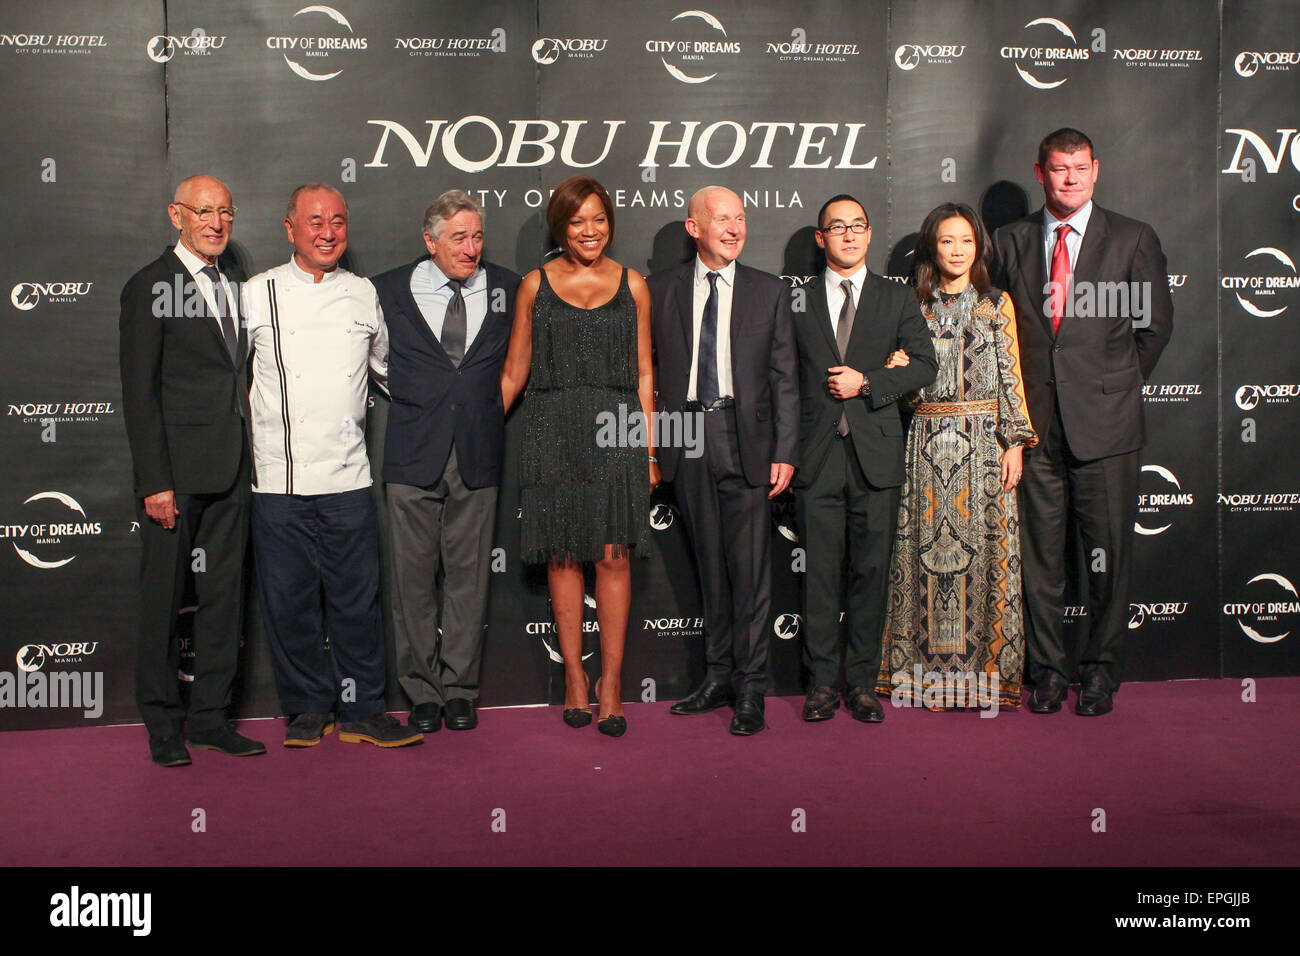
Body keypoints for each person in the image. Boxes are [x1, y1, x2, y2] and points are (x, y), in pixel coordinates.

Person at [994, 129, 1174, 715]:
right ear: (1039, 172)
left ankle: (1099, 673)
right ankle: (1047, 672)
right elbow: (997, 334)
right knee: (1040, 560)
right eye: (1058, 168)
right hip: (1035, 429)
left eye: (1079, 168)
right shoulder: (1010, 240)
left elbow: (1154, 327)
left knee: (1108, 560)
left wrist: (1110, 389)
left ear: (1095, 170)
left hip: (1108, 428)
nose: (1069, 179)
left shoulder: (1132, 237)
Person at [243, 183, 420, 749]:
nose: (328, 232)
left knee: (356, 603)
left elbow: (386, 370)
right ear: (289, 228)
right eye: (315, 221)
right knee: (289, 603)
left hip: (348, 477)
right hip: (279, 478)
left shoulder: (363, 294)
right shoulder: (257, 292)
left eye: (338, 221)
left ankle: (364, 711)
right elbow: (228, 378)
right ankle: (306, 709)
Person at [501, 176, 656, 738]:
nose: (590, 231)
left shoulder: (633, 285)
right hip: (553, 431)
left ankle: (611, 685)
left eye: (598, 219)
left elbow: (644, 373)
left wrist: (650, 449)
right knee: (563, 557)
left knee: (612, 558)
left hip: (617, 432)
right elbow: (514, 372)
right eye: (577, 221)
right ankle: (574, 678)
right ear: (560, 228)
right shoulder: (534, 286)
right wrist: (471, 434)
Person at [119, 174, 264, 765]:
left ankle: (210, 718)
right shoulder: (150, 286)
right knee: (163, 601)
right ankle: (161, 722)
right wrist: (155, 481)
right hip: (174, 478)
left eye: (225, 212)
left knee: (224, 600)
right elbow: (140, 394)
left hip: (232, 470)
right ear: (176, 215)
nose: (216, 223)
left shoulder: (236, 285)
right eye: (203, 211)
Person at [648, 186, 798, 736]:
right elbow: (645, 372)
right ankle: (716, 677)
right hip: (685, 435)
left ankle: (751, 687)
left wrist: (785, 451)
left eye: (740, 219)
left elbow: (785, 377)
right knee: (709, 568)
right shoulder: (659, 290)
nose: (734, 229)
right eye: (721, 220)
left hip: (745, 438)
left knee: (750, 572)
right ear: (694, 228)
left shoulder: (769, 290)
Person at [874, 202, 1036, 711]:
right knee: (924, 561)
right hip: (925, 446)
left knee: (986, 559)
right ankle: (923, 678)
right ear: (932, 247)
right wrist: (897, 370)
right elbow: (905, 393)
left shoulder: (995, 304)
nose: (958, 250)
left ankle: (984, 678)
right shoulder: (912, 307)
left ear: (978, 247)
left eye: (966, 240)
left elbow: (1010, 375)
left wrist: (1015, 442)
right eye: (947, 240)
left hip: (985, 445)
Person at [374, 191, 520, 735]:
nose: (471, 248)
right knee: (411, 581)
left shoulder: (508, 288)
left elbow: (517, 363)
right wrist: (424, 402)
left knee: (469, 579)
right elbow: (375, 361)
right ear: (430, 240)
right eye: (459, 238)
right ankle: (421, 691)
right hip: (412, 453)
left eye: (477, 236)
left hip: (479, 452)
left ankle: (459, 689)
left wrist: (481, 410)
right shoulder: (387, 290)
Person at [793, 194, 938, 723]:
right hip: (815, 457)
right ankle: (820, 685)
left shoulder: (895, 298)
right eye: (838, 227)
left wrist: (870, 382)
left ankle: (861, 684)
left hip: (876, 456)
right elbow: (779, 376)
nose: (849, 234)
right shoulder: (797, 299)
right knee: (819, 575)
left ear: (870, 233)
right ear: (821, 238)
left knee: (871, 573)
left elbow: (925, 364)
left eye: (858, 225)